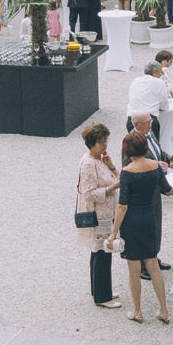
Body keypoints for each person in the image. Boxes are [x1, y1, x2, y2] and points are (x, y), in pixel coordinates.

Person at [112, 131, 173, 324]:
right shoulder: (155, 167)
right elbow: (168, 190)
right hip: (150, 218)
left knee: (134, 270)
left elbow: (122, 206)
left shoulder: (127, 172)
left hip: (132, 222)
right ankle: (163, 309)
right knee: (153, 266)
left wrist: (114, 231)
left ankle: (138, 311)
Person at [76, 123, 122, 311]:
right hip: (99, 215)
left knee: (100, 252)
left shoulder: (100, 159)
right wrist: (111, 188)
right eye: (101, 143)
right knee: (102, 253)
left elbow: (115, 176)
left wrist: (111, 166)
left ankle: (100, 290)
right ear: (92, 143)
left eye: (105, 142)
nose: (105, 146)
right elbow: (88, 193)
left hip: (105, 213)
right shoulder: (88, 163)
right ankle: (102, 296)